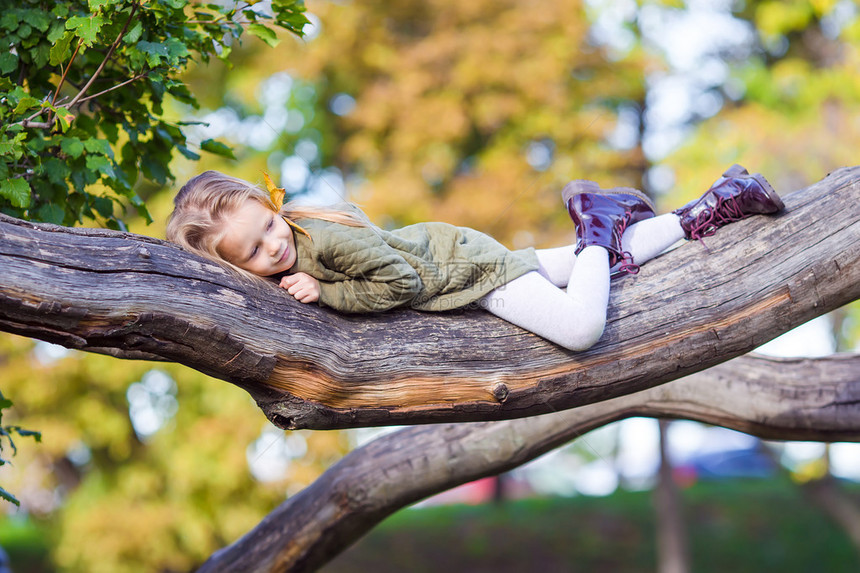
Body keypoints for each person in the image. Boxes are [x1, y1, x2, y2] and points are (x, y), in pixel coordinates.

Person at [166, 165, 783, 352]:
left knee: (581, 328)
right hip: (458, 253)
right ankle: (724, 200)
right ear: (236, 268)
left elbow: (400, 282)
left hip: (466, 272)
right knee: (570, 266)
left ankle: (601, 219)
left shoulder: (319, 244)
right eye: (255, 251)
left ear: (274, 209)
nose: (275, 244)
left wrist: (326, 295)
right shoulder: (292, 252)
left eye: (270, 226)